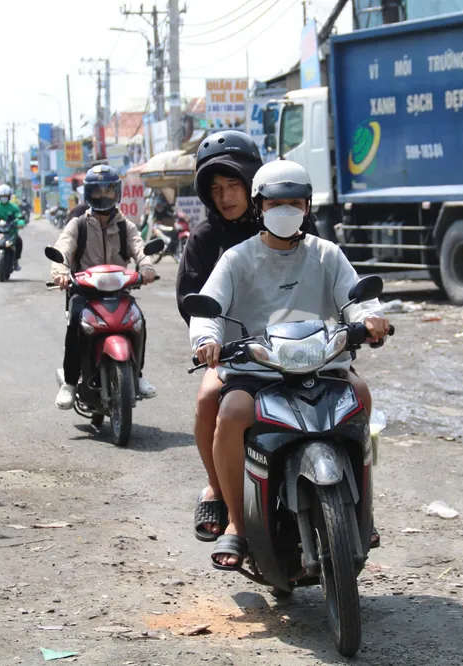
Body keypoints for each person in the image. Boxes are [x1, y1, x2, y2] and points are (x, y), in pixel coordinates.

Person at [189, 160, 391, 569]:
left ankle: (360, 509)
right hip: (258, 371)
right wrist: (207, 340)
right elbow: (208, 309)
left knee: (362, 395)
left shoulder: (327, 254)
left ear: (308, 206)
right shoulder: (236, 259)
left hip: (322, 364)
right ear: (260, 206)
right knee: (230, 411)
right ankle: (235, 523)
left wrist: (371, 319)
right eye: (276, 203)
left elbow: (357, 298)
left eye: (295, 202)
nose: (286, 210)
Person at [176, 131, 317, 543]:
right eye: (216, 189)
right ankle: (221, 490)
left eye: (234, 184)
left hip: (306, 348)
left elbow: (337, 277)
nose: (225, 197)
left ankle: (357, 506)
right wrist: (210, 341)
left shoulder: (293, 222)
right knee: (208, 400)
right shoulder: (207, 241)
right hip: (241, 355)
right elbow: (192, 301)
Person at [51, 164, 159, 409]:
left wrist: (147, 268)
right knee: (75, 325)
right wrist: (60, 273)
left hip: (119, 291)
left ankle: (138, 375)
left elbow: (140, 249)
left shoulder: (126, 226)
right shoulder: (77, 225)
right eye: (97, 191)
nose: (103, 196)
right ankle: (69, 383)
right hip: (84, 292)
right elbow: (62, 249)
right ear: (88, 193)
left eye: (108, 191)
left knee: (138, 321)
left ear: (117, 192)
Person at [0, 184, 24, 270]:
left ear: (9, 196)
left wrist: (20, 223)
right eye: (2, 196)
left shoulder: (14, 207)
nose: (4, 198)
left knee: (19, 242)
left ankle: (16, 261)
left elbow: (19, 216)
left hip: (10, 232)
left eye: (6, 196)